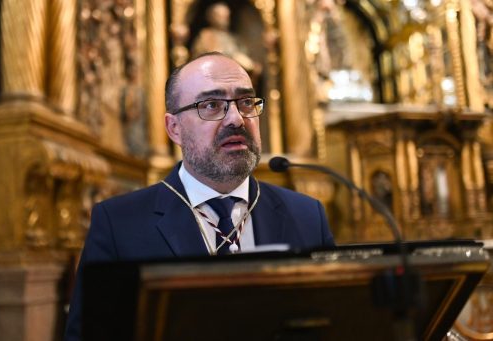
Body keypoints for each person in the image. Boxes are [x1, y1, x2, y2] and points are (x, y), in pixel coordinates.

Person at [64, 52, 334, 340]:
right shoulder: (119, 224)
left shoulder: (307, 216)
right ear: (174, 129)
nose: (236, 119)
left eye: (246, 103)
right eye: (211, 105)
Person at [191, 2, 262, 80]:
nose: (225, 19)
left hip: (236, 72)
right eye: (221, 16)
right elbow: (200, 57)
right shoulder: (206, 35)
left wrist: (250, 63)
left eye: (226, 16)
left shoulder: (232, 37)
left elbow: (243, 52)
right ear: (212, 17)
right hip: (216, 73)